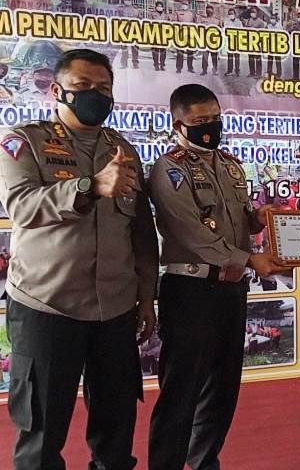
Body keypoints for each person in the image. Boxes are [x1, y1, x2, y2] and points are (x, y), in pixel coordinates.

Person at [0, 49, 159, 470]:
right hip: (48, 305)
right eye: (83, 86)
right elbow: (22, 207)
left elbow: (141, 233)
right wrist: (90, 186)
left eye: (104, 88)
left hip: (115, 310)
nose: (95, 95)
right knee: (41, 433)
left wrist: (146, 297)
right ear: (57, 91)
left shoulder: (123, 150)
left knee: (116, 431)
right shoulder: (23, 142)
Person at [148, 84, 288, 470]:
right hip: (190, 289)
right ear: (178, 124)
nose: (209, 126)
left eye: (214, 118)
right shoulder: (169, 169)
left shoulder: (230, 165)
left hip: (230, 288)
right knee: (181, 389)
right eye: (199, 120)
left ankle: (205, 461)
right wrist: (251, 259)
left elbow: (239, 219)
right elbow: (191, 233)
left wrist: (258, 218)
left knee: (223, 386)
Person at [175, 0, 196, 74]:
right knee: (180, 52)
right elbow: (174, 22)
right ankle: (179, 68)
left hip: (190, 34)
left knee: (190, 52)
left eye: (186, 4)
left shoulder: (192, 13)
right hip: (181, 34)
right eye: (183, 4)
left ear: (188, 5)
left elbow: (195, 23)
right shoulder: (177, 12)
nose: (184, 5)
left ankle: (190, 68)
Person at [120, 0, 140, 69]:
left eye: (129, 0)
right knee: (124, 48)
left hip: (134, 30)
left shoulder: (136, 10)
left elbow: (139, 20)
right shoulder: (120, 9)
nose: (127, 1)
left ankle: (135, 64)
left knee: (135, 48)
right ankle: (124, 64)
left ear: (131, 1)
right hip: (123, 30)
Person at [245, 7, 266, 78]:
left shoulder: (261, 22)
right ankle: (252, 72)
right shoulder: (248, 20)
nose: (252, 13)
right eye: (251, 12)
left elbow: (263, 34)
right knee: (250, 58)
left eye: (254, 12)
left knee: (258, 58)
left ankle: (258, 74)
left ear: (257, 13)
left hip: (257, 43)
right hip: (250, 42)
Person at [200, 5, 220, 76]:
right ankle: (204, 70)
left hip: (214, 41)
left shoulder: (217, 20)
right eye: (207, 11)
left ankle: (215, 70)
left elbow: (220, 30)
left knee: (214, 57)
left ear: (213, 11)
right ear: (206, 11)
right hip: (205, 41)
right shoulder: (203, 20)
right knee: (204, 57)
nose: (209, 12)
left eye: (210, 10)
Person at [151, 1, 168, 71]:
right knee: (155, 51)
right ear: (155, 7)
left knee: (163, 51)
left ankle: (162, 65)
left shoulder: (166, 15)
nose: (159, 7)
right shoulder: (152, 14)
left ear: (163, 7)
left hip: (163, 34)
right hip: (155, 33)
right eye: (158, 6)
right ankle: (156, 65)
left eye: (160, 6)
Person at [225, 8, 242, 77]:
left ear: (235, 14)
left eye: (231, 14)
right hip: (229, 41)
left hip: (237, 41)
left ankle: (237, 71)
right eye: (229, 14)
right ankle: (229, 71)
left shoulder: (239, 22)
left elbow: (241, 32)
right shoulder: (227, 22)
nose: (230, 15)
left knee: (237, 57)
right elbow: (225, 31)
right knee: (230, 57)